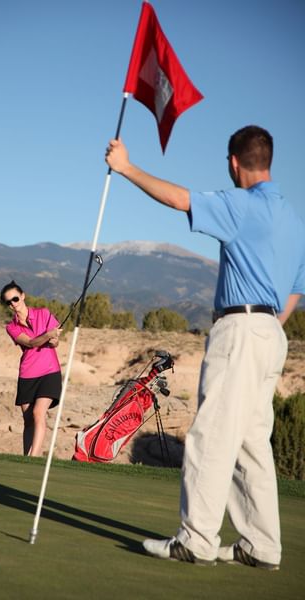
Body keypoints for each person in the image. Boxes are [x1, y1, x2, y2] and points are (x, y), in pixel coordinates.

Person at [105, 126, 305, 570]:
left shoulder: (241, 203)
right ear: (267, 160)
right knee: (252, 443)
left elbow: (181, 199)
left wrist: (126, 168)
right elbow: (296, 287)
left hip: (240, 329)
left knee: (212, 435)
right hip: (272, 334)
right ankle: (262, 545)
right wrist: (269, 327)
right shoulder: (292, 218)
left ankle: (196, 539)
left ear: (235, 162)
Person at [0, 280, 62, 457]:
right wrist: (47, 335)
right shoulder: (11, 327)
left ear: (23, 296)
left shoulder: (44, 313)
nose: (13, 303)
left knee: (38, 413)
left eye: (15, 298)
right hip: (28, 374)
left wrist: (53, 339)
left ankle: (33, 457)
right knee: (28, 421)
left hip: (50, 372)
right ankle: (27, 457)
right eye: (8, 302)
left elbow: (55, 342)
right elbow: (30, 343)